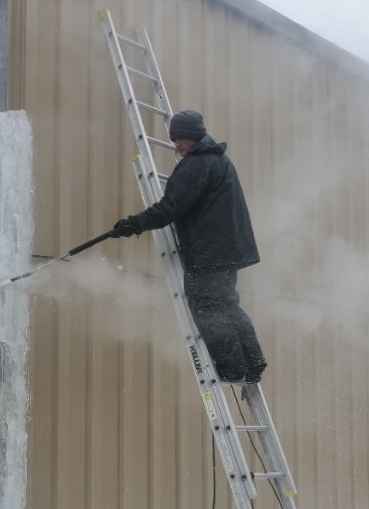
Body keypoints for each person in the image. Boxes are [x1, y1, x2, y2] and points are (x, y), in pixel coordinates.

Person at [111, 109, 267, 383]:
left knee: (207, 309)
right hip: (228, 250)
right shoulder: (221, 162)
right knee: (228, 305)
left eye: (180, 138)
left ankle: (231, 368)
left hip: (208, 253)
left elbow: (171, 206)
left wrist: (133, 224)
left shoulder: (195, 164)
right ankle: (253, 361)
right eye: (174, 139)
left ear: (193, 136)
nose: (177, 144)